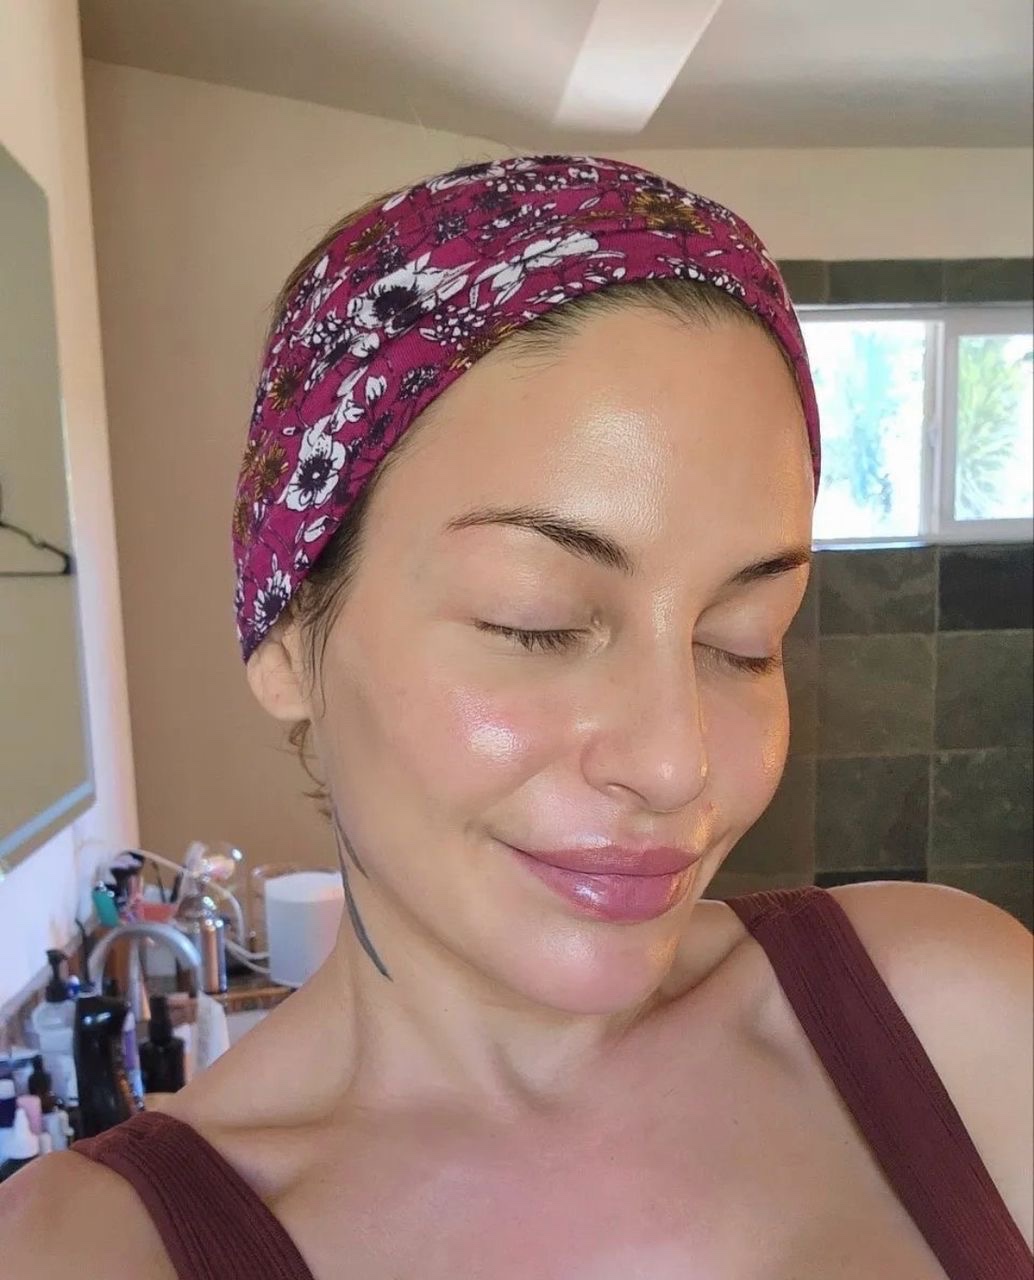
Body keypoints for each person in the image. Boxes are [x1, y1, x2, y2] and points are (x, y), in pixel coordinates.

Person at [2, 155, 1031, 1279]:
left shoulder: (952, 1019)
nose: (675, 762)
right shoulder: (98, 1251)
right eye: (534, 622)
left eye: (744, 638)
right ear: (289, 639)